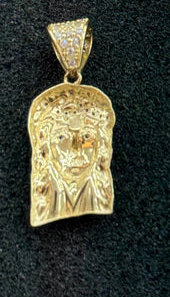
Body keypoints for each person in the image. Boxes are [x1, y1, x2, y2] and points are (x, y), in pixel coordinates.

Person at [29, 85, 115, 226]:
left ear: (101, 145)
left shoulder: (99, 195)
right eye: (62, 137)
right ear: (45, 148)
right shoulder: (44, 202)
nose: (76, 151)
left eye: (86, 136)